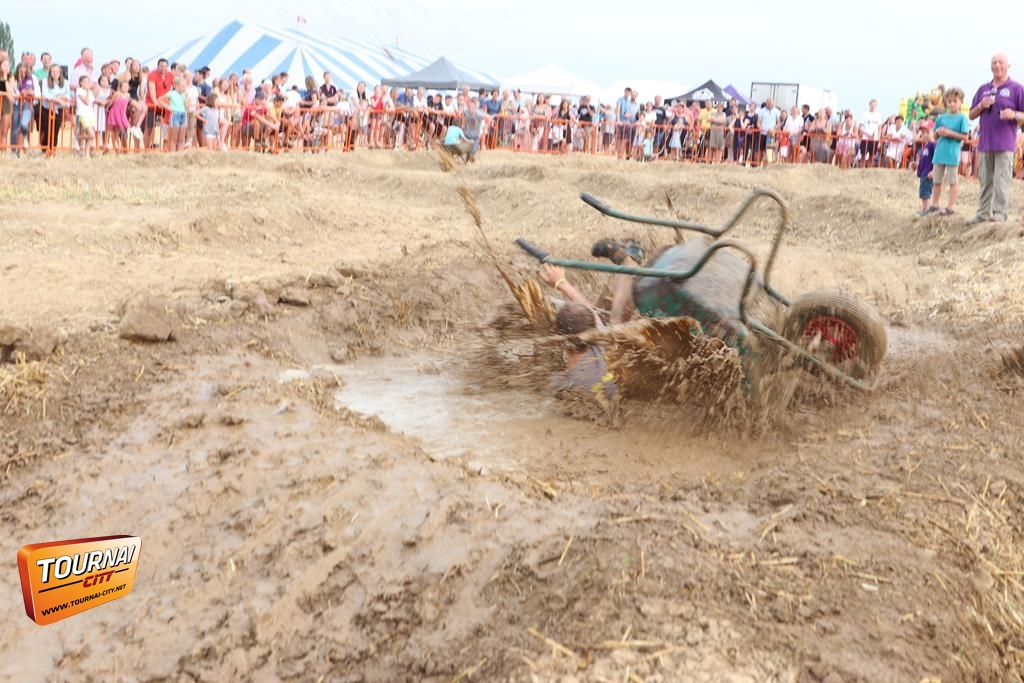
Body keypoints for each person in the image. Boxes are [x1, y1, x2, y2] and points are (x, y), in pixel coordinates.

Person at [967, 53, 1024, 224]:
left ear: (1008, 66)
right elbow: (971, 114)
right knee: (985, 180)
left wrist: (1013, 114)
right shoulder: (983, 89)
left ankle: (1000, 213)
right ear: (990, 66)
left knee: (1001, 180)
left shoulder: (1016, 88)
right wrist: (981, 105)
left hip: (1005, 143)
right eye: (994, 63)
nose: (997, 65)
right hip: (985, 143)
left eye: (1001, 62)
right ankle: (983, 213)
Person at [930, 89, 971, 216]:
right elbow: (934, 136)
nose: (952, 104)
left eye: (955, 101)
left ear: (960, 102)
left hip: (952, 153)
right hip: (939, 152)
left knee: (953, 181)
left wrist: (949, 133)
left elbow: (965, 137)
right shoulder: (941, 118)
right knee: (937, 180)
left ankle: (950, 206)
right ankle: (934, 204)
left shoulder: (962, 118)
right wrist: (939, 132)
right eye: (949, 101)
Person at [914, 123, 936, 216]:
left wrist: (934, 171)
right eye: (923, 132)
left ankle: (926, 210)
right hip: (923, 173)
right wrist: (917, 167)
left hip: (928, 174)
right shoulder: (926, 145)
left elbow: (936, 159)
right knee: (923, 193)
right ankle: (924, 209)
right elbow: (924, 160)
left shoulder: (933, 145)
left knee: (926, 193)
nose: (924, 134)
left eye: (927, 132)